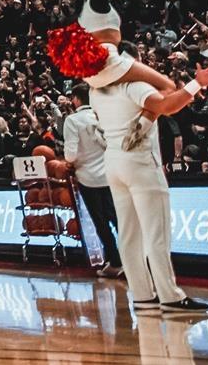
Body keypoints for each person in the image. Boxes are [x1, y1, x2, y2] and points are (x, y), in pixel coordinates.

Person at [91, 61, 208, 317]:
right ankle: (170, 296)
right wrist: (197, 84)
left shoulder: (97, 92)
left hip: (113, 160)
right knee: (156, 234)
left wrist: (150, 113)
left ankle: (142, 295)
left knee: (128, 233)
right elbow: (168, 106)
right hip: (139, 162)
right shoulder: (134, 86)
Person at [60, 93, 120, 277]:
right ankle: (136, 258)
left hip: (88, 177)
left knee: (100, 222)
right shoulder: (102, 115)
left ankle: (115, 261)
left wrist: (68, 162)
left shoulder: (72, 120)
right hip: (111, 173)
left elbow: (70, 154)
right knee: (118, 218)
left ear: (76, 100)